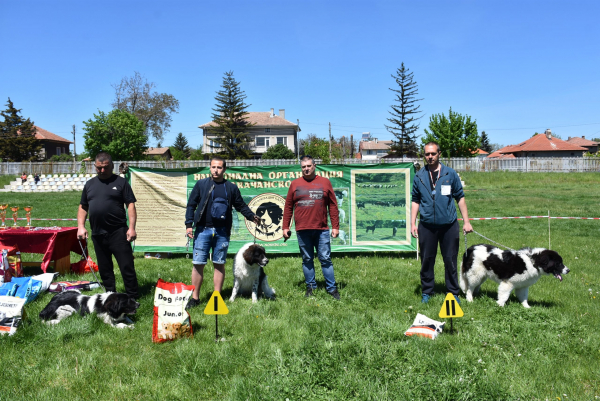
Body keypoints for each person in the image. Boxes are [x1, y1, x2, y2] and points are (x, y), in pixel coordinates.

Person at [185, 156, 261, 309]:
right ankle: (195, 298)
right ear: (210, 168)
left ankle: (216, 297)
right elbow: (191, 205)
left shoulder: (231, 188)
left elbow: (241, 205)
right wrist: (188, 224)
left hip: (222, 233)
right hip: (202, 230)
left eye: (219, 167)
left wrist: (252, 216)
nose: (216, 170)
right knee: (198, 264)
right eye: (213, 167)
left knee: (219, 264)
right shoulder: (201, 185)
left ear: (224, 169)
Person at [410, 141, 473, 303]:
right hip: (427, 226)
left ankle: (453, 293)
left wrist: (466, 221)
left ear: (439, 154)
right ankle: (427, 291)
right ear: (424, 155)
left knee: (450, 260)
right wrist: (412, 223)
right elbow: (415, 201)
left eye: (433, 154)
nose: (430, 157)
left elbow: (460, 198)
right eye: (427, 154)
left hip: (449, 226)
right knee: (426, 261)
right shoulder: (419, 176)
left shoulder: (450, 174)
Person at [77, 152, 139, 298]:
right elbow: (83, 207)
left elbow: (130, 204)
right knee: (105, 268)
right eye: (99, 168)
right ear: (95, 166)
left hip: (118, 232)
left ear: (112, 165)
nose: (102, 171)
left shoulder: (121, 182)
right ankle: (110, 295)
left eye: (105, 167)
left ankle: (133, 297)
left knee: (126, 266)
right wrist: (81, 226)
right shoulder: (90, 184)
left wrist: (131, 228)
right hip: (98, 233)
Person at [282, 155, 341, 300]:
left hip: (322, 229)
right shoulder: (295, 184)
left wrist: (336, 226)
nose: (306, 169)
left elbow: (333, 206)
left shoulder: (325, 183)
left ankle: (332, 289)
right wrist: (285, 227)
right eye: (303, 167)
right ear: (301, 168)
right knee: (307, 259)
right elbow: (288, 206)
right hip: (302, 229)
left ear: (314, 166)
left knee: (325, 259)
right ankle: (311, 287)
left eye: (309, 166)